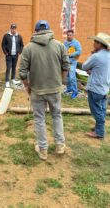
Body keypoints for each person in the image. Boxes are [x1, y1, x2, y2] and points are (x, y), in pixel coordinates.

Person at [19, 20, 70, 161]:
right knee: (57, 116)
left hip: (37, 90)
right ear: (49, 30)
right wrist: (61, 81)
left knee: (40, 119)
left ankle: (43, 150)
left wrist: (27, 86)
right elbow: (66, 66)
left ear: (35, 31)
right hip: (54, 89)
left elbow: (22, 72)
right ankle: (60, 145)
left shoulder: (28, 48)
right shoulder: (59, 45)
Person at [82, 32, 110, 139]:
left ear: (100, 44)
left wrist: (92, 54)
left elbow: (84, 66)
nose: (93, 43)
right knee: (102, 109)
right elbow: (101, 69)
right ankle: (99, 128)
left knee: (96, 110)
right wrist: (93, 71)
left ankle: (99, 132)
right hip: (104, 87)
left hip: (95, 88)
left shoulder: (97, 56)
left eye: (95, 42)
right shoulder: (108, 54)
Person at [64, 30, 82, 99]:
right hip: (66, 62)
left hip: (73, 62)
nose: (69, 36)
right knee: (67, 76)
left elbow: (79, 51)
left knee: (72, 77)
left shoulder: (76, 43)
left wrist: (71, 55)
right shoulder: (65, 42)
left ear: (73, 35)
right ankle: (69, 89)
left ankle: (75, 91)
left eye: (70, 35)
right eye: (68, 35)